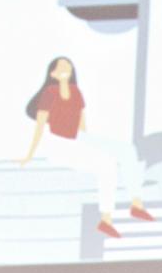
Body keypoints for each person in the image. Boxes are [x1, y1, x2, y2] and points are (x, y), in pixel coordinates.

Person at [21, 56, 152, 240]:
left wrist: (89, 144)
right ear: (53, 74)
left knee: (127, 150)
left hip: (78, 138)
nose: (66, 69)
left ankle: (136, 204)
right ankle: (106, 219)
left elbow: (82, 124)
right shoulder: (49, 93)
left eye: (68, 66)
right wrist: (29, 154)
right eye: (61, 67)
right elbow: (40, 127)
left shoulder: (76, 92)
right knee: (106, 164)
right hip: (59, 144)